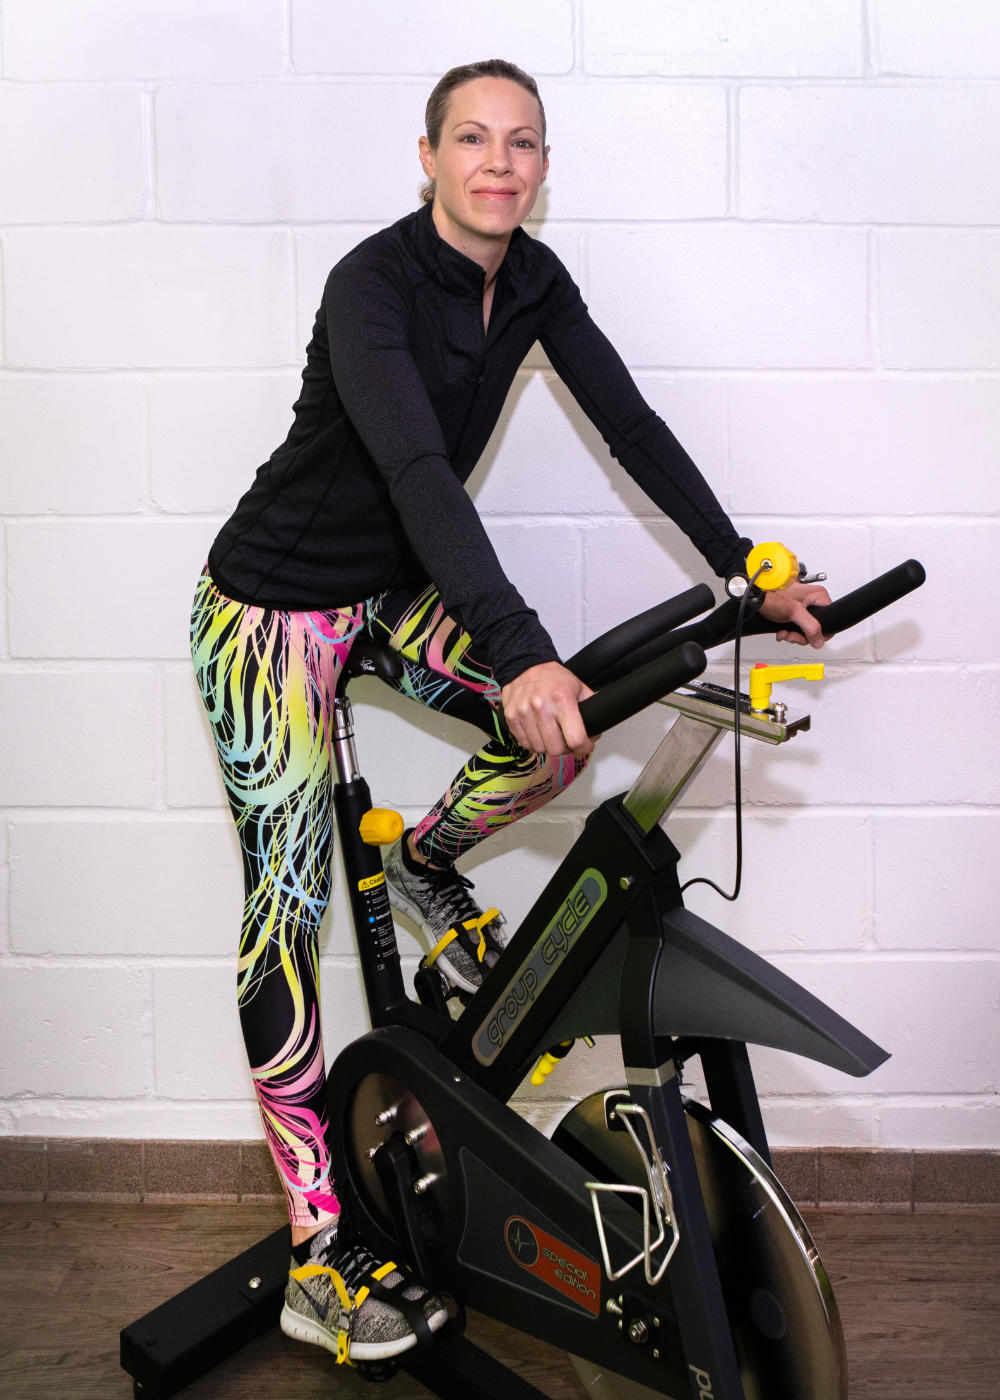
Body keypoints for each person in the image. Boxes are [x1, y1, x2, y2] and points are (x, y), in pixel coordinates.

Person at [189, 58, 830, 1365]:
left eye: (522, 143)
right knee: (287, 917)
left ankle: (424, 861)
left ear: (543, 165)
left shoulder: (531, 283)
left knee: (566, 726)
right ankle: (321, 1257)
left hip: (380, 600)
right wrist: (518, 647)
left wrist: (742, 568)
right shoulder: (369, 289)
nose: (498, 163)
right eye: (472, 140)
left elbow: (631, 424)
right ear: (424, 155)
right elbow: (422, 472)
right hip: (266, 618)